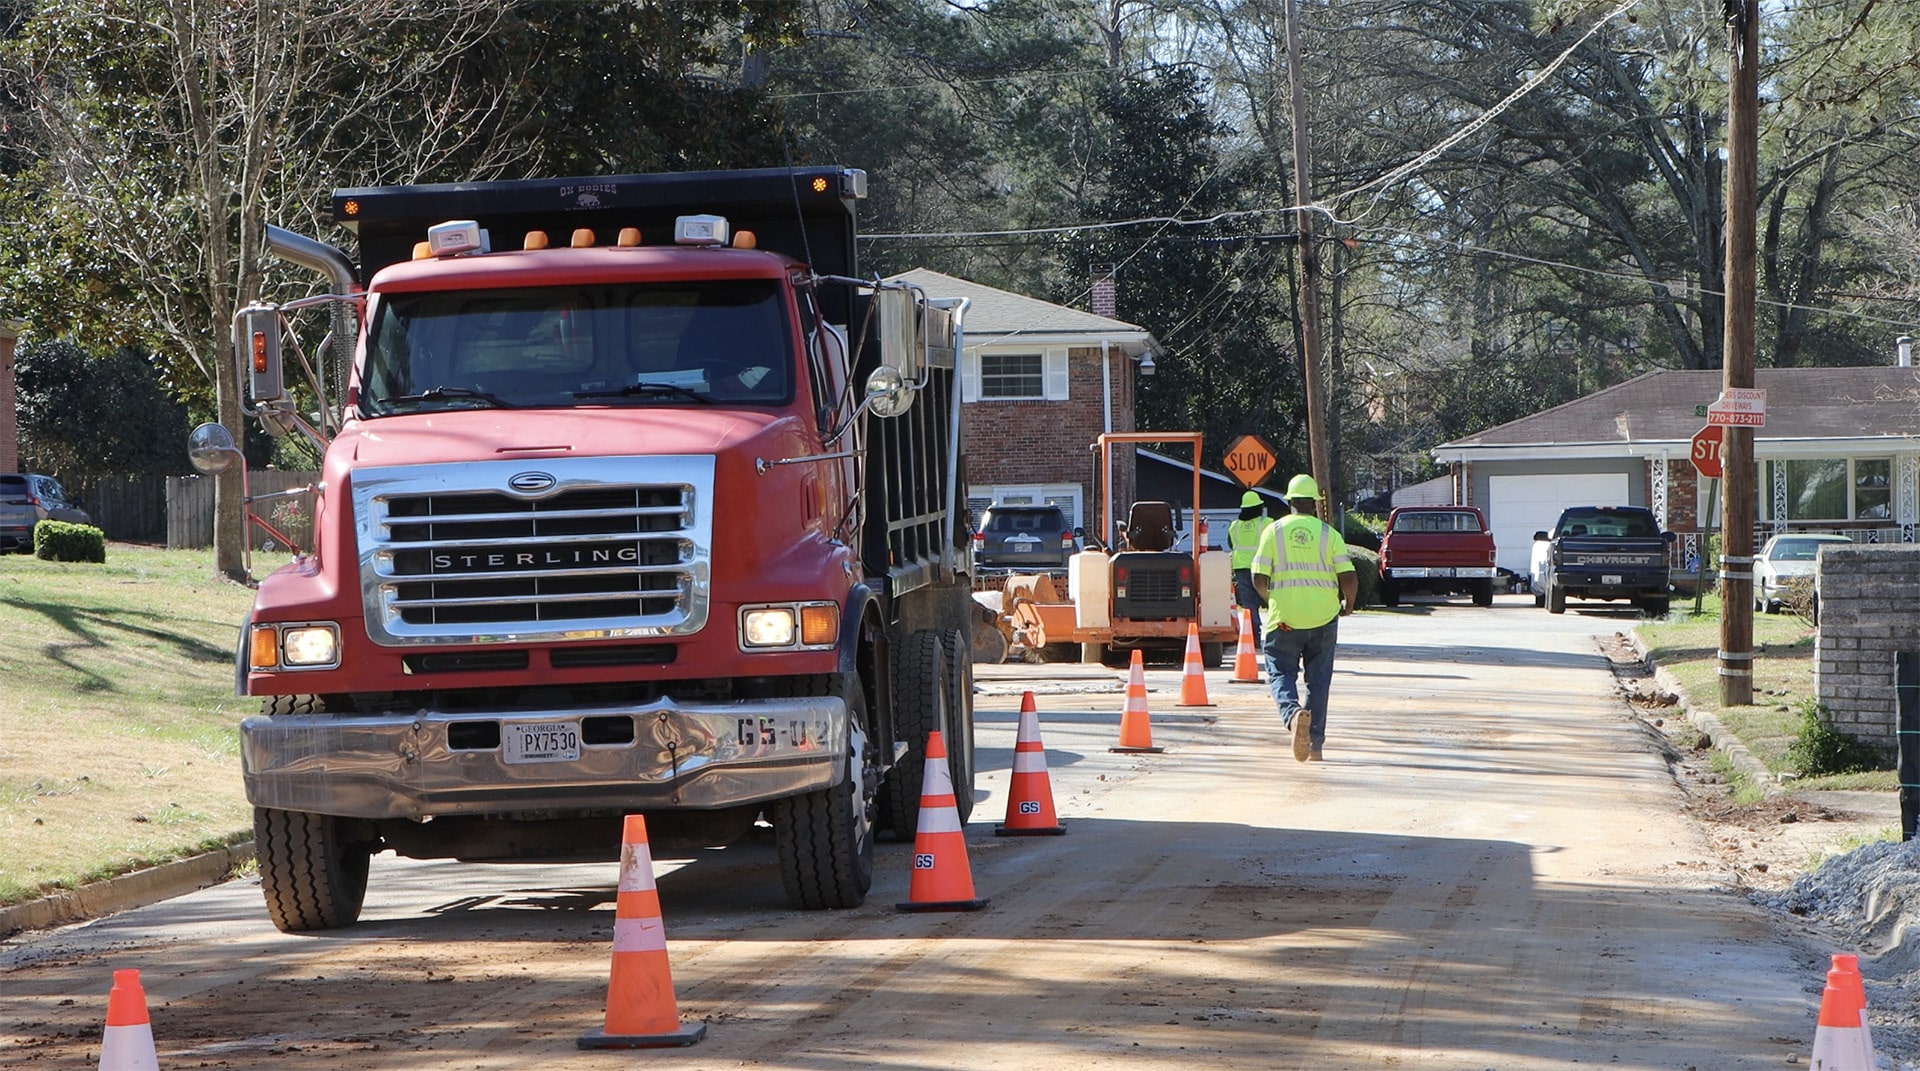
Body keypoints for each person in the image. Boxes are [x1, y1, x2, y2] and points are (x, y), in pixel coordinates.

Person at [1251, 474, 1358, 763]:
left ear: (1289, 502)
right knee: (1319, 681)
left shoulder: (1273, 532)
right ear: (1315, 503)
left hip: (1284, 619)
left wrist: (1272, 600)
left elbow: (1258, 576)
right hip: (1323, 618)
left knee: (1280, 672)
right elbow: (1348, 575)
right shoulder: (1328, 534)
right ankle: (1315, 745)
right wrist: (1348, 603)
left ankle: (1293, 715)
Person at [1226, 491, 1270, 637]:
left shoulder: (1234, 526)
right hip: (1262, 567)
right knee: (1272, 599)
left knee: (1249, 604)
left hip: (1241, 568)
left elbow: (1231, 544)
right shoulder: (1267, 523)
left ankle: (1253, 636)